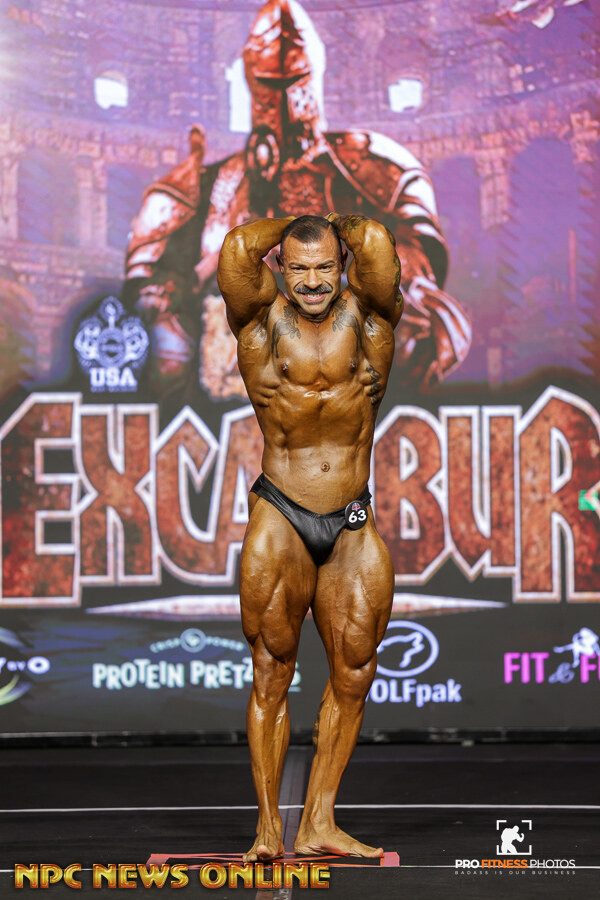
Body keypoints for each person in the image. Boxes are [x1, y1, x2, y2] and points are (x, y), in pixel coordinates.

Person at [124, 0, 469, 405]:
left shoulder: (373, 167)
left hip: (345, 363)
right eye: (269, 85)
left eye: (293, 82)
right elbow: (148, 290)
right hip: (231, 379)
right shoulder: (211, 183)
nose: (282, 101)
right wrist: (181, 291)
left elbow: (420, 262)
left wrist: (351, 269)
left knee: (419, 324)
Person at [217, 212, 402, 861]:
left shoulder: (370, 319)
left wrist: (332, 222)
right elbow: (238, 247)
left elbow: (374, 240)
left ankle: (319, 820)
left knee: (354, 671)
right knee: (271, 670)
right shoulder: (259, 323)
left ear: (342, 264)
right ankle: (269, 829)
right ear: (281, 268)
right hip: (282, 511)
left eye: (325, 266)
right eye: (300, 269)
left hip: (351, 518)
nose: (315, 281)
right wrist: (297, 222)